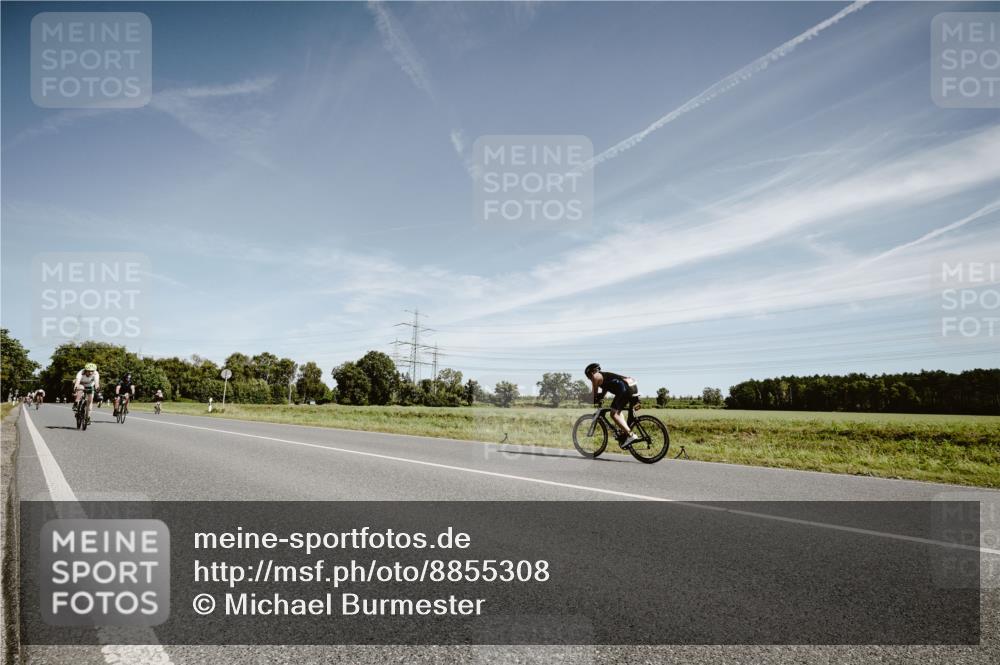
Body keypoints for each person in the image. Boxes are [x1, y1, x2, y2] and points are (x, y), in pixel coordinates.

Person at [585, 363, 641, 449]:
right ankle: (625, 431)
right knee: (618, 412)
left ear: (591, 373)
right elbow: (605, 389)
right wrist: (601, 397)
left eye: (588, 377)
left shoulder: (595, 377)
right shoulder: (604, 376)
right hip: (631, 386)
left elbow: (594, 395)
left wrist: (586, 399)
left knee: (613, 414)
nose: (590, 379)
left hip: (624, 389)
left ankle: (631, 435)